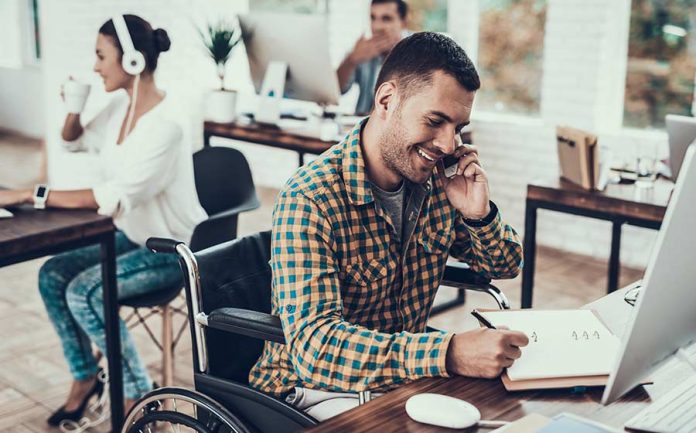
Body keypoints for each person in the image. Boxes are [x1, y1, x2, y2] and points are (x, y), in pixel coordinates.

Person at [250, 32, 528, 421]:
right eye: (435, 121)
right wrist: (448, 353)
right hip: (313, 389)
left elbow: (505, 267)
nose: (449, 145)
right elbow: (317, 350)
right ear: (386, 100)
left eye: (459, 127)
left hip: (396, 380)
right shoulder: (311, 197)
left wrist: (477, 215)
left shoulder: (437, 182)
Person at [0, 15, 206, 426]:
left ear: (131, 61)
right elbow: (71, 141)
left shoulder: (165, 128)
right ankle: (84, 379)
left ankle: (137, 396)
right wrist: (73, 108)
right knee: (52, 275)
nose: (95, 67)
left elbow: (110, 199)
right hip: (132, 236)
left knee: (83, 293)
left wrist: (28, 193)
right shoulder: (119, 107)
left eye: (100, 56)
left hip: (169, 250)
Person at [336, 0, 408, 115]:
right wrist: (351, 60)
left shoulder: (416, 53)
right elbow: (337, 90)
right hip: (361, 124)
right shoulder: (364, 50)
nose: (376, 26)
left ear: (403, 23)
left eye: (386, 19)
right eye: (372, 18)